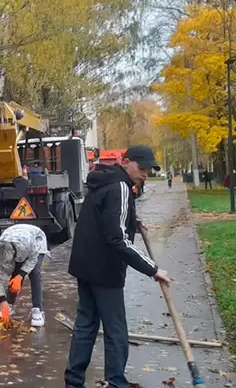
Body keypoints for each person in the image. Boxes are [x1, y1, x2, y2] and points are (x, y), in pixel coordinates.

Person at [65, 145, 172, 388]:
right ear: (125, 162)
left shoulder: (103, 181)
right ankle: (116, 383)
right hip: (104, 269)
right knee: (116, 332)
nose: (145, 174)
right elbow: (117, 238)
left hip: (85, 265)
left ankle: (73, 382)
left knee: (85, 324)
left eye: (148, 170)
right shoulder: (121, 187)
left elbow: (106, 217)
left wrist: (132, 221)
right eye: (141, 168)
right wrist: (153, 269)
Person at [0, 223, 49, 328]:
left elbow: (33, 259)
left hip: (36, 239)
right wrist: (2, 300)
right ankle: (9, 305)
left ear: (13, 253)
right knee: (15, 273)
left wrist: (21, 276)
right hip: (15, 237)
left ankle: (37, 310)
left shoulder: (26, 244)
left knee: (34, 273)